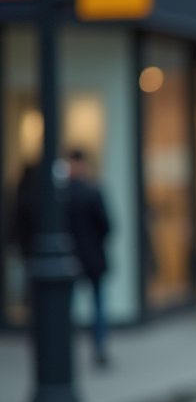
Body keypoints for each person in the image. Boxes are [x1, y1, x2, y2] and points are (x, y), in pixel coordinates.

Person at [64, 150, 112, 367]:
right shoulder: (91, 192)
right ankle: (98, 348)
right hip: (91, 256)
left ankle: (67, 350)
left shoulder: (62, 194)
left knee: (75, 306)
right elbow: (106, 226)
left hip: (72, 257)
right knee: (96, 305)